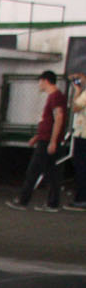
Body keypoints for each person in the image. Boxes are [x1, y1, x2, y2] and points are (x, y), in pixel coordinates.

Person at [7, 70, 67, 212]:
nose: (39, 85)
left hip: (48, 141)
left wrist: (52, 141)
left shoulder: (55, 97)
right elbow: (49, 121)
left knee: (33, 170)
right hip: (46, 138)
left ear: (45, 81)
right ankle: (52, 203)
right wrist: (37, 136)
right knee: (52, 173)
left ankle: (23, 201)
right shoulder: (54, 97)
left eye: (40, 82)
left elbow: (59, 118)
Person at [68, 73, 86, 210]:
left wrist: (77, 91)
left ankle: (81, 199)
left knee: (81, 167)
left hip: (83, 135)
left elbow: (74, 108)